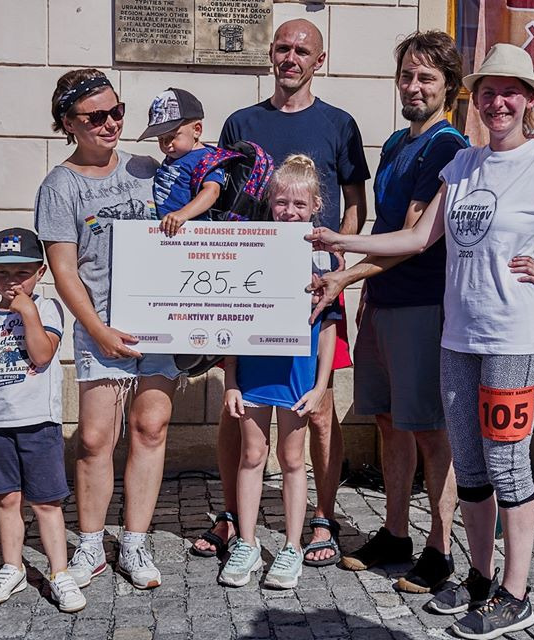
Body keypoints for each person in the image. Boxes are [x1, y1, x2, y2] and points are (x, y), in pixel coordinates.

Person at [308, 43, 534, 639]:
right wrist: (341, 242)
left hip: (515, 340)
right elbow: (416, 239)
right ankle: (481, 579)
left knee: (508, 465)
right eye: (488, 93)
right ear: (475, 100)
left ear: (528, 99)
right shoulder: (463, 165)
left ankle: (516, 593)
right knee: (475, 466)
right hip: (459, 338)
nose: (498, 102)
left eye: (510, 92)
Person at [194, 17, 370, 567]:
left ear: (320, 60)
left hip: (317, 283)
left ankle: (322, 518)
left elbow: (355, 204)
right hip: (251, 288)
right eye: (284, 48)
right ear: (271, 53)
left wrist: (339, 259)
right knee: (239, 408)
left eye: (303, 50)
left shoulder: (339, 124)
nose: (291, 58)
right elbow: (222, 199)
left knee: (318, 406)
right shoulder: (241, 122)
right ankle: (233, 517)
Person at [309, 30, 464, 592]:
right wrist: (362, 290)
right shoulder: (397, 143)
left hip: (422, 304)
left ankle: (440, 549)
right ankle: (396, 534)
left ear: (449, 86)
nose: (414, 86)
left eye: (427, 77)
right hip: (383, 300)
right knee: (388, 421)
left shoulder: (447, 146)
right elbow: (384, 228)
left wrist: (343, 271)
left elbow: (412, 238)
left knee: (429, 430)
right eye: (407, 75)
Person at [35, 69, 182, 591]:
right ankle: (92, 543)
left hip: (160, 326)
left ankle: (135, 541)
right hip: (101, 326)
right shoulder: (60, 186)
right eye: (96, 116)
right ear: (68, 124)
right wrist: (97, 331)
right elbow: (64, 271)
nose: (111, 123)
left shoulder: (147, 168)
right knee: (96, 438)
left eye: (117, 111)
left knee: (151, 428)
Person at [218, 154, 338, 589]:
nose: (289, 211)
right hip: (254, 368)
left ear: (315, 206)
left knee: (291, 459)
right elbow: (233, 318)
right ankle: (247, 543)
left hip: (297, 373)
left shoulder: (325, 259)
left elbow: (330, 328)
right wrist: (231, 380)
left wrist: (321, 386)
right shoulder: (250, 245)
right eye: (282, 202)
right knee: (252, 455)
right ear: (270, 202)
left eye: (299, 204)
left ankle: (290, 547)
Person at [0, 227, 85, 612]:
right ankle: (12, 567)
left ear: (40, 272)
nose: (12, 281)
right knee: (8, 499)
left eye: (22, 272)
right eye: (2, 272)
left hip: (39, 423)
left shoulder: (47, 310)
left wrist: (28, 313)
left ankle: (60, 572)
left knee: (46, 502)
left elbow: (42, 355)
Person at [136, 87, 224, 237]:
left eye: (172, 136)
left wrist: (183, 214)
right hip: (166, 231)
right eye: (160, 139)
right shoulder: (175, 156)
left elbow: (212, 191)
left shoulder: (207, 158)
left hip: (191, 232)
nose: (166, 144)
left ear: (197, 130)